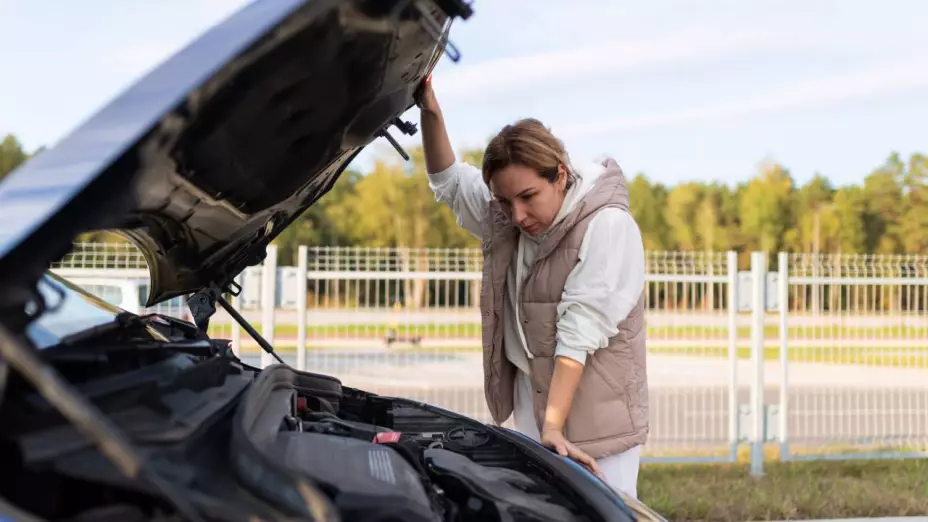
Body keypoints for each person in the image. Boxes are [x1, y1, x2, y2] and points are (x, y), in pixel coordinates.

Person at [415, 75, 649, 498]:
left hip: (598, 420)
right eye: (505, 201)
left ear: (560, 174)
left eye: (528, 196)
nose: (517, 215)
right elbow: (448, 182)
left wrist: (553, 427)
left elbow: (578, 332)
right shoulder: (511, 213)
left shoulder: (608, 225)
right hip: (535, 401)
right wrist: (430, 110)